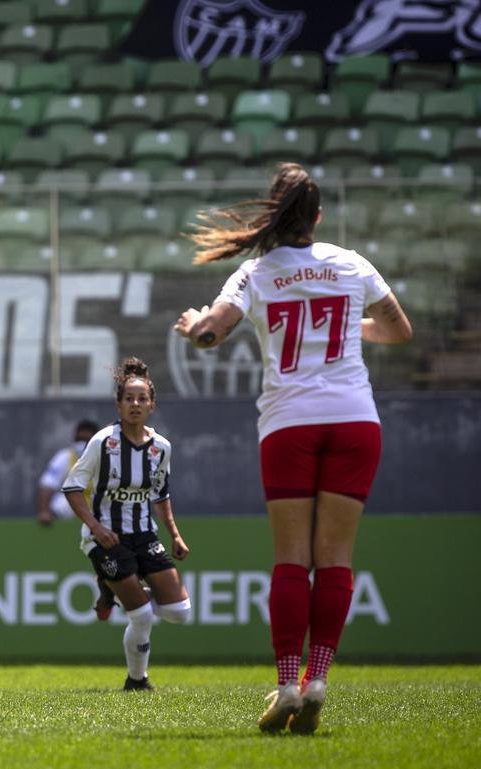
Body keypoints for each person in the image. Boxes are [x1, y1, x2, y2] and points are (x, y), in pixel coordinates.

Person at [173, 162, 412, 734]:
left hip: (290, 424)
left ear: (273, 214)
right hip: (356, 420)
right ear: (319, 217)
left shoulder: (255, 273)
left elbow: (212, 333)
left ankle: (285, 684)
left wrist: (191, 327)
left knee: (291, 560)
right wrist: (352, 328)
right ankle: (318, 679)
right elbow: (400, 330)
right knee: (335, 559)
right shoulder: (351, 263)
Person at [61, 357, 192, 691]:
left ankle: (114, 589)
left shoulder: (161, 447)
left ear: (152, 404)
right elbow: (72, 487)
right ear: (119, 404)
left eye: (142, 399)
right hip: (106, 538)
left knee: (180, 612)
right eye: (129, 399)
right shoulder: (104, 442)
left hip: (145, 533)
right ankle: (137, 681)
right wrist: (96, 527)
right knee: (143, 615)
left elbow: (161, 494)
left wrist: (175, 534)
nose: (135, 404)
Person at [37, 420, 120, 620]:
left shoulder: (107, 458)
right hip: (72, 509)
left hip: (100, 511)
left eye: (87, 438)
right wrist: (44, 511)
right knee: (62, 502)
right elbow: (47, 484)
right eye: (80, 438)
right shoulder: (65, 457)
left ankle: (108, 589)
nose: (82, 443)